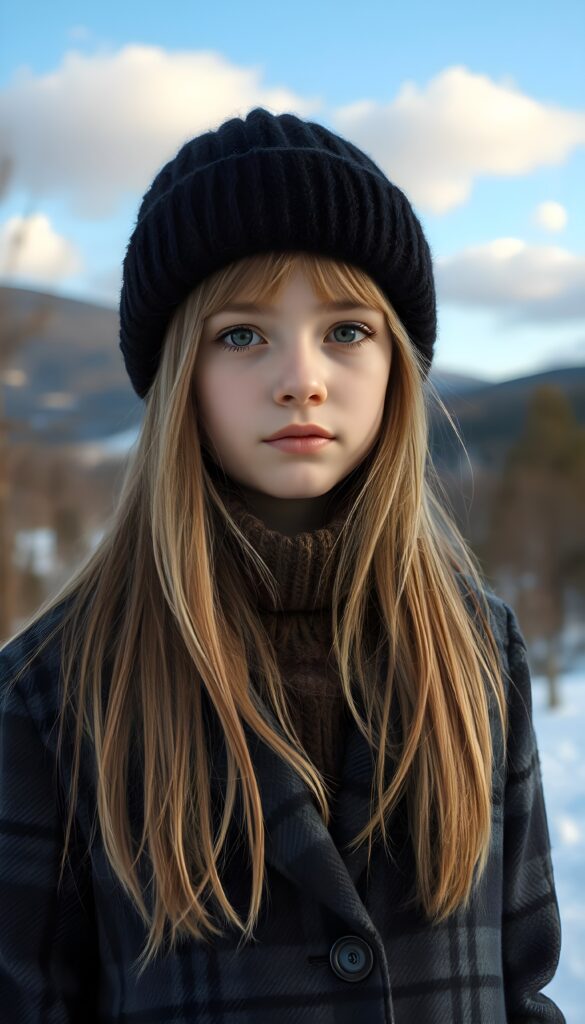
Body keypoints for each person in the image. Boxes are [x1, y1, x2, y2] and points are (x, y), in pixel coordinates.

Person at [0, 107, 564, 1023]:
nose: (300, 376)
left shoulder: (477, 647)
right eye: (241, 335)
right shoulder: (52, 694)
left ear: (397, 364)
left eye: (346, 331)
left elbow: (522, 986)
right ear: (178, 369)